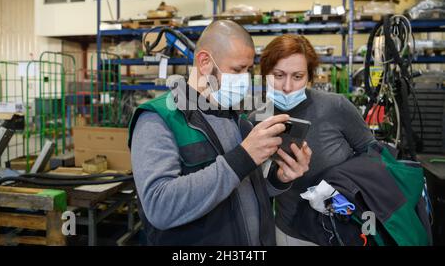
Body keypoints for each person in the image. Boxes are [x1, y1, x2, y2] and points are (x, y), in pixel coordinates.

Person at [129, 21, 312, 245]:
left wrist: (278, 179)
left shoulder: (236, 118)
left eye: (247, 70)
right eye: (237, 70)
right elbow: (159, 206)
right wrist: (242, 157)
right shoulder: (158, 118)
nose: (244, 79)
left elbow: (244, 190)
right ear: (205, 62)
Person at [249, 34, 376, 246]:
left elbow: (372, 156)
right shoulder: (258, 120)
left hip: (342, 227)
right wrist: (282, 178)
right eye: (278, 75)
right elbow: (260, 188)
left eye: (297, 76)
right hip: (292, 233)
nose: (287, 86)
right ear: (265, 75)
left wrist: (340, 184)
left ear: (310, 77)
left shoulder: (336, 107)